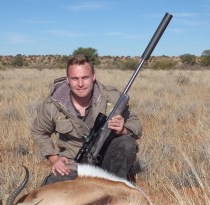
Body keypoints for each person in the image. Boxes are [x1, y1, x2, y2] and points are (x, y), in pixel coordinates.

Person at [31, 54, 142, 186]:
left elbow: (135, 124)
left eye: (85, 77)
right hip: (73, 163)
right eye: (75, 78)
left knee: (126, 143)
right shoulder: (53, 104)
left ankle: (116, 187)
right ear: (67, 79)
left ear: (93, 76)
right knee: (51, 189)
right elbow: (38, 131)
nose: (80, 84)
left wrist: (124, 129)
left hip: (107, 161)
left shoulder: (112, 97)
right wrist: (54, 159)